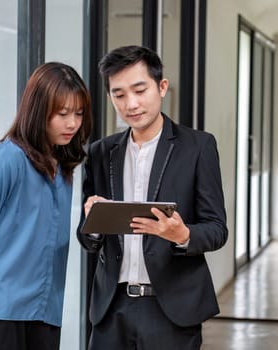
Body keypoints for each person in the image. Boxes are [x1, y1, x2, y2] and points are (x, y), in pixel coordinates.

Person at [77, 45, 228, 349]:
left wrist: (182, 234)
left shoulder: (198, 147)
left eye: (139, 90)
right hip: (111, 309)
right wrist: (92, 222)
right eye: (119, 95)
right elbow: (88, 240)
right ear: (110, 98)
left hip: (171, 309)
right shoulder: (100, 152)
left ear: (161, 87)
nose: (130, 103)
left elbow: (216, 229)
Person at [0, 62, 92, 350]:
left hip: (44, 313)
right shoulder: (7, 159)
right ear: (39, 111)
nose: (72, 124)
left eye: (78, 114)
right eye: (62, 114)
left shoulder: (64, 168)